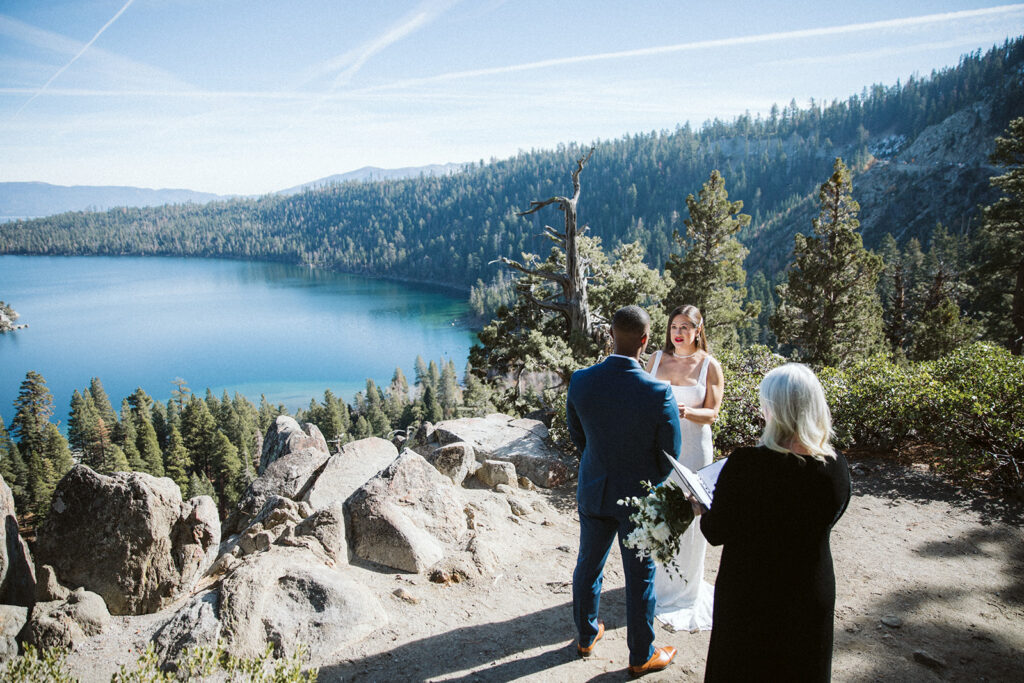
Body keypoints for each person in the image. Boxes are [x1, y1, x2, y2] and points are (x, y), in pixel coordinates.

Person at [698, 363, 852, 682]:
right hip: (809, 589)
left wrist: (701, 506)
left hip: (750, 595)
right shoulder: (836, 467)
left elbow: (715, 532)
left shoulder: (746, 465)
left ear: (773, 409)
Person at [566, 305, 681, 676]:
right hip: (640, 498)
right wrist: (647, 480)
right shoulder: (658, 392)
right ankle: (641, 655)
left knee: (588, 564)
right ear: (646, 341)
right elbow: (671, 454)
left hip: (594, 489)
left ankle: (585, 636)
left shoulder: (581, 380)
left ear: (610, 335)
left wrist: (598, 466)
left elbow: (577, 436)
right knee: (641, 575)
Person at [644, 304, 722, 632]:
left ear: (698, 331)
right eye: (674, 326)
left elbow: (713, 413)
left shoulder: (709, 366)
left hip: (694, 448)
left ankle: (686, 586)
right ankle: (659, 585)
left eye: (685, 327)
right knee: (660, 512)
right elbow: (643, 398)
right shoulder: (657, 360)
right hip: (660, 449)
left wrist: (685, 411)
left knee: (690, 514)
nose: (678, 332)